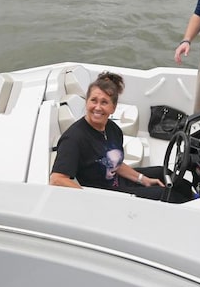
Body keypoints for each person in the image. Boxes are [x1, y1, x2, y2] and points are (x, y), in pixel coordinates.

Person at [49, 72, 166, 200]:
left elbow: (115, 164)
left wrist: (143, 180)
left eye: (104, 102)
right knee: (164, 194)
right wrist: (91, 199)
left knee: (162, 172)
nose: (97, 107)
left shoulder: (113, 129)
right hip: (107, 194)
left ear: (113, 108)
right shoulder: (73, 138)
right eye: (93, 100)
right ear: (86, 102)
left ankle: (191, 194)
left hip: (117, 180)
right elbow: (57, 179)